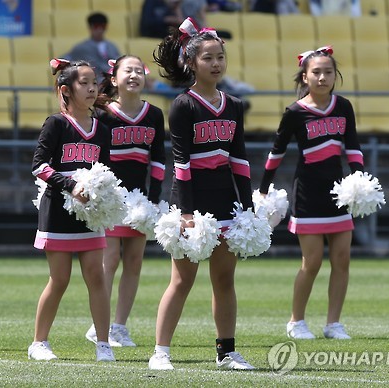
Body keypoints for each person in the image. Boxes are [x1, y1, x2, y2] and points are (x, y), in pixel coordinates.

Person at [148, 17, 255, 371]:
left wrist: (249, 207)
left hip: (226, 198)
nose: (216, 64)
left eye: (220, 57)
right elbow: (181, 162)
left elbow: (238, 157)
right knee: (181, 280)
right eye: (208, 58)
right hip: (192, 201)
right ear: (191, 63)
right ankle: (160, 351)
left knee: (225, 279)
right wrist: (187, 212)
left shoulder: (235, 104)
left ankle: (226, 351)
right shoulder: (183, 105)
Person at [259, 46, 364, 340]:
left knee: (342, 258)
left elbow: (352, 147)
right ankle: (296, 321)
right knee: (313, 261)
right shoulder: (295, 112)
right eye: (316, 72)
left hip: (338, 193)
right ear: (304, 76)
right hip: (308, 193)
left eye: (328, 72)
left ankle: (333, 323)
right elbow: (276, 153)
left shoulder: (343, 106)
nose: (322, 77)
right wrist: (263, 189)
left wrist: (359, 180)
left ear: (335, 76)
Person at [29, 59, 115, 362]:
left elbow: (104, 170)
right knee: (60, 278)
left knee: (97, 275)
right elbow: (39, 166)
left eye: (94, 82)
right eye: (84, 83)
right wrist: (70, 185)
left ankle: (103, 344)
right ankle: (39, 343)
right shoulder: (56, 124)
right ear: (66, 89)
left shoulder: (103, 131)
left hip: (88, 214)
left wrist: (103, 194)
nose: (92, 88)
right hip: (58, 210)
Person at [84, 55, 166, 347]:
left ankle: (119, 326)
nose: (134, 75)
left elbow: (158, 160)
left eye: (139, 71)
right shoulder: (104, 114)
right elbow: (95, 159)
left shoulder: (154, 114)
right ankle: (99, 326)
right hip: (110, 200)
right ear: (115, 77)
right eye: (127, 71)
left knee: (134, 261)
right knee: (111, 259)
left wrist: (153, 199)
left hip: (140, 200)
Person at [62, 12, 121, 83]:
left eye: (102, 26)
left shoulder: (112, 47)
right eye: (96, 26)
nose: (99, 30)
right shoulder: (81, 48)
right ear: (90, 27)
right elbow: (66, 60)